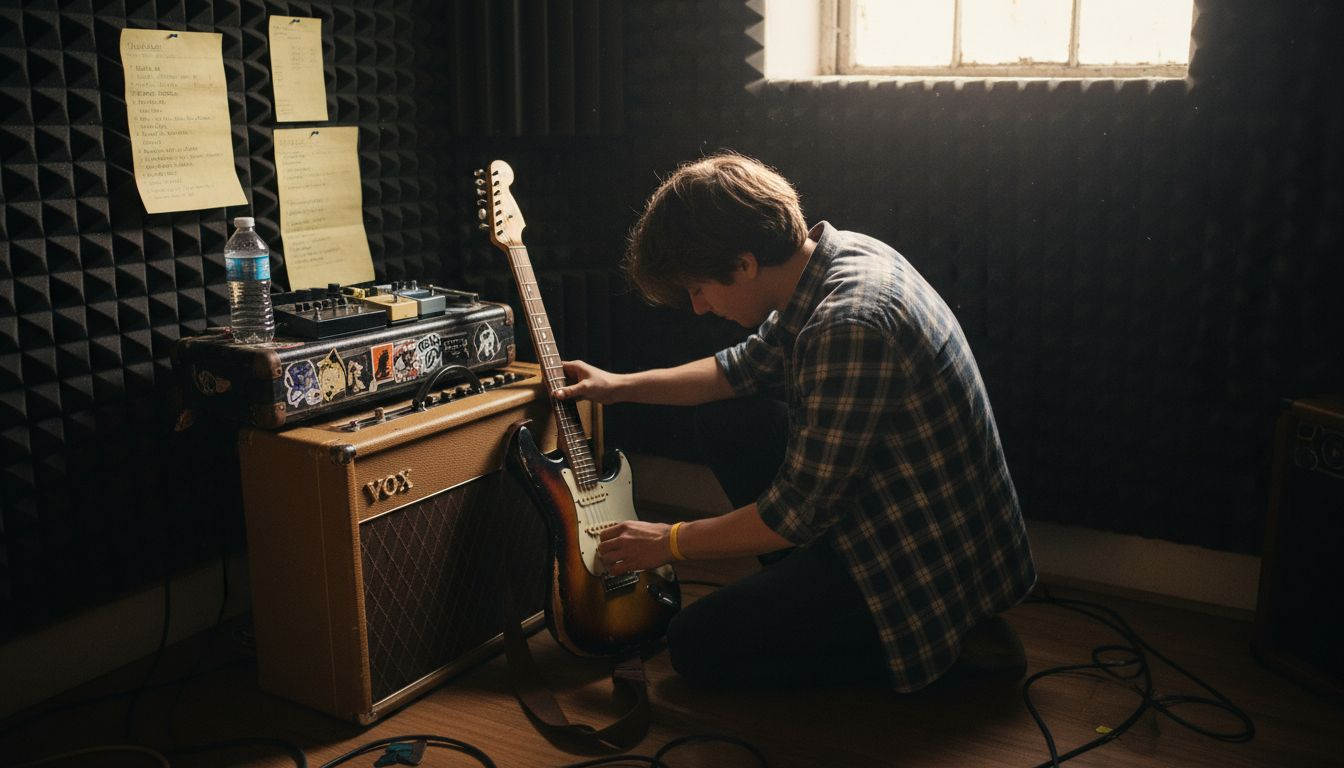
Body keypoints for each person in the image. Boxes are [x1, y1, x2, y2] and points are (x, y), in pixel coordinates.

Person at [554, 152, 1036, 691]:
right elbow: (734, 373)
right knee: (725, 418)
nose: (697, 306)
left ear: (743, 265)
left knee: (693, 645)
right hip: (894, 517)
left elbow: (793, 515)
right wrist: (615, 387)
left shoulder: (848, 322)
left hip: (915, 565)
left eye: (698, 288)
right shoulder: (833, 260)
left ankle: (943, 654)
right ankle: (811, 602)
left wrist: (667, 541)